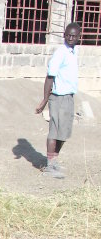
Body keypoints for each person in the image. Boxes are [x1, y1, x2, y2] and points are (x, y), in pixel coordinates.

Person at [35, 22, 81, 179]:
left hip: (68, 97)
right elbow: (50, 77)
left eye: (73, 36)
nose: (70, 38)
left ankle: (53, 160)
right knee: (54, 131)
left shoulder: (73, 51)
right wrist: (44, 100)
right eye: (68, 35)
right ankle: (50, 165)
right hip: (58, 97)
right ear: (64, 35)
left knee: (64, 133)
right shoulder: (60, 53)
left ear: (78, 37)